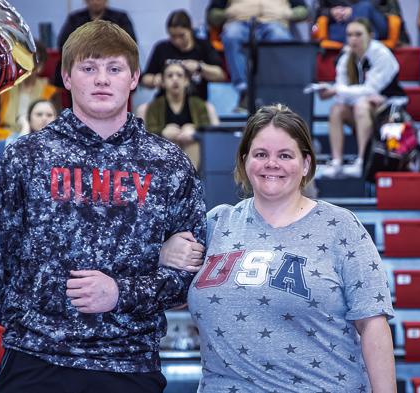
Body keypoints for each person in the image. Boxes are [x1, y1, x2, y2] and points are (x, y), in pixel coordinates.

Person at [0, 20, 206, 393]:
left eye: (114, 69)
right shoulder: (27, 157)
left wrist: (122, 292)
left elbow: (188, 279)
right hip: (36, 360)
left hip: (129, 364)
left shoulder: (167, 163)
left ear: (134, 77)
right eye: (89, 68)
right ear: (67, 78)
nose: (102, 80)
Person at [160, 104, 396, 392]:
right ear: (245, 160)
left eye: (285, 155)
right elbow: (173, 298)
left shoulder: (341, 227)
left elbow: (373, 325)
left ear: (306, 163)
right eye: (261, 154)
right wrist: (165, 252)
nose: (272, 163)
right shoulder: (214, 224)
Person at [319, 18, 405, 178]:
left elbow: (370, 89)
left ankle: (362, 161)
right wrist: (334, 91)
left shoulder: (381, 54)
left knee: (362, 105)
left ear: (370, 36)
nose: (353, 39)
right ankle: (337, 162)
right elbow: (344, 91)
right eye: (349, 35)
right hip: (365, 105)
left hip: (390, 109)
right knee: (337, 109)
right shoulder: (347, 56)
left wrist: (337, 90)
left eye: (358, 34)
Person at [207, 0, 309, 111]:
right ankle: (245, 92)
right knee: (231, 35)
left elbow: (304, 10)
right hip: (240, 22)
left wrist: (287, 13)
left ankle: (279, 93)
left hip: (274, 22)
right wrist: (229, 13)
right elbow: (212, 14)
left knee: (280, 37)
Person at [0, 41, 61, 165]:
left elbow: (56, 128)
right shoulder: (3, 90)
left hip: (38, 141)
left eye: (32, 61)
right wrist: (10, 137)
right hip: (4, 140)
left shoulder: (51, 92)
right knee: (4, 147)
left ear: (40, 66)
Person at [137, 62, 220, 169]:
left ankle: (189, 180)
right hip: (162, 153)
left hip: (195, 153)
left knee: (192, 142)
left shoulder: (199, 105)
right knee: (170, 141)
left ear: (186, 81)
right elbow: (146, 135)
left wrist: (195, 132)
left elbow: (208, 130)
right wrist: (162, 133)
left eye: (179, 75)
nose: (175, 79)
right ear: (163, 82)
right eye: (170, 76)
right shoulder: (153, 107)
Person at [141, 10, 226, 101]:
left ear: (190, 30)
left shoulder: (203, 46)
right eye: (173, 36)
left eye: (182, 36)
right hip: (166, 101)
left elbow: (220, 75)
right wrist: (154, 80)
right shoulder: (162, 48)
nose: (177, 41)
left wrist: (200, 67)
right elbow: (144, 78)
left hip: (196, 102)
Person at [54, 0, 136, 89]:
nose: (96, 2)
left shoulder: (120, 17)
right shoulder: (75, 18)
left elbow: (130, 45)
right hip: (83, 62)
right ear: (86, 1)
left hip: (112, 63)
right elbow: (63, 45)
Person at [316, 0, 389, 44]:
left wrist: (352, 10)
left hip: (374, 21)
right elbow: (318, 11)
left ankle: (351, 52)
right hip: (341, 26)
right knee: (369, 31)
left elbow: (376, 4)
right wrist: (331, 12)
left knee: (365, 7)